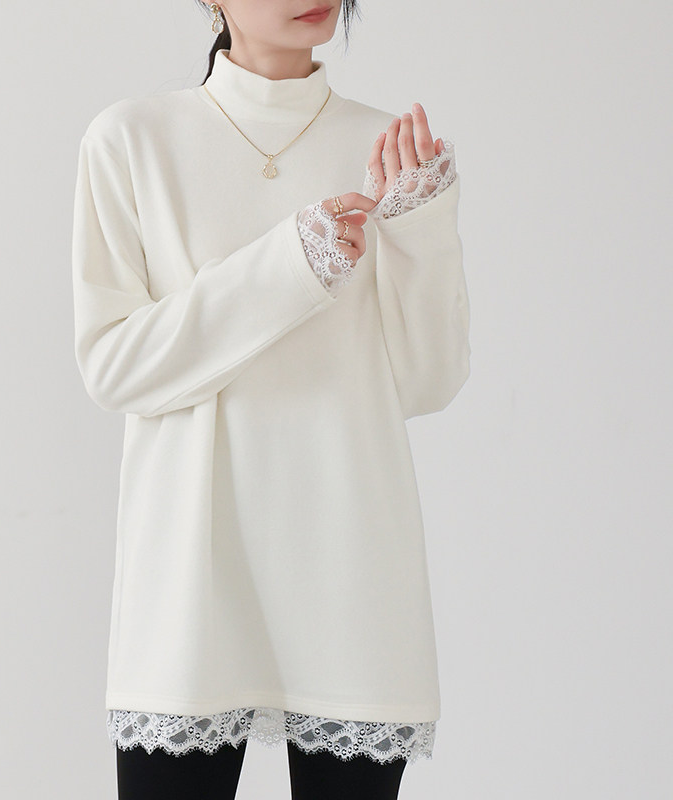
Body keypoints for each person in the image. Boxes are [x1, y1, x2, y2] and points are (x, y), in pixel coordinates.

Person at [71, 1, 470, 797]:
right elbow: (113, 365)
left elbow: (430, 381)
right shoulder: (131, 140)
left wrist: (422, 227)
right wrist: (289, 267)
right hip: (190, 579)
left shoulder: (388, 149)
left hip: (351, 569)